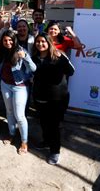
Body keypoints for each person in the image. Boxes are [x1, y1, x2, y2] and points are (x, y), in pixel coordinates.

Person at [32, 33, 75, 165]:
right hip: (40, 96)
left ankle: (55, 151)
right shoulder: (34, 58)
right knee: (44, 122)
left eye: (43, 42)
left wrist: (62, 59)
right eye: (38, 42)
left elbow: (71, 71)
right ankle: (46, 141)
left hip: (57, 98)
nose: (40, 44)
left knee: (54, 125)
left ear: (49, 42)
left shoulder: (58, 55)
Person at [0, 30, 36, 155]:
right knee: (9, 111)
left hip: (20, 86)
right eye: (5, 40)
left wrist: (26, 57)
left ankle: (24, 141)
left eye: (10, 40)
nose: (8, 42)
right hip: (5, 84)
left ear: (14, 40)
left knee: (20, 115)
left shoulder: (21, 51)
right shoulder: (3, 51)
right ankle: (11, 134)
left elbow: (33, 68)